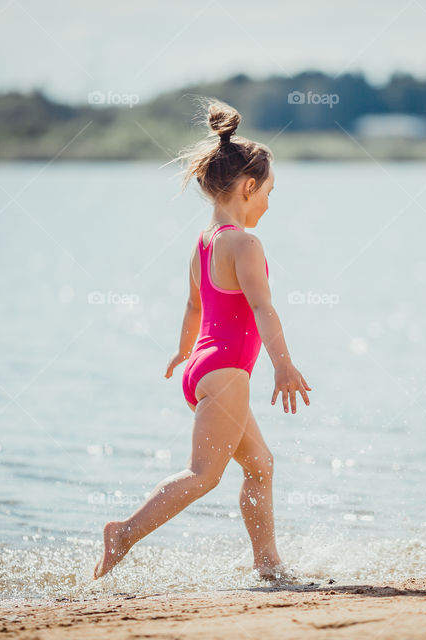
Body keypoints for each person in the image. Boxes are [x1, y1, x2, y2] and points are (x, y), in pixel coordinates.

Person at [94, 98, 311, 582]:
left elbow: (196, 305)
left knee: (260, 464)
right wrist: (284, 364)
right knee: (204, 474)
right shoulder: (245, 243)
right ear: (250, 187)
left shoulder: (205, 242)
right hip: (227, 370)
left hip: (204, 369)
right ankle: (124, 532)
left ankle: (268, 564)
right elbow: (262, 309)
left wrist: (183, 350)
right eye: (269, 191)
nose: (271, 203)